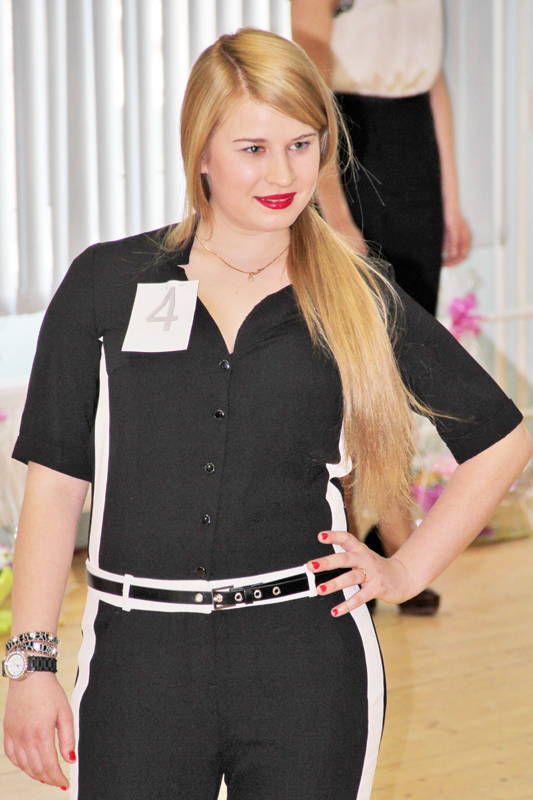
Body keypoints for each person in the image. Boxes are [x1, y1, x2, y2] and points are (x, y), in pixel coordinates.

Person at [2, 28, 530, 800]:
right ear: (201, 153)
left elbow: (500, 440)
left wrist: (404, 569)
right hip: (139, 665)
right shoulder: (107, 282)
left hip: (306, 661)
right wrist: (30, 666)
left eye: (300, 145)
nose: (282, 174)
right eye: (252, 148)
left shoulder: (356, 292)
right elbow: (55, 486)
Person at [291, 0, 472, 614]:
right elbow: (310, 88)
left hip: (415, 149)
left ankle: (392, 530)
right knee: (342, 364)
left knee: (401, 363)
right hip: (347, 146)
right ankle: (348, 536)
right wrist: (334, 209)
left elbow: (432, 76)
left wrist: (451, 200)